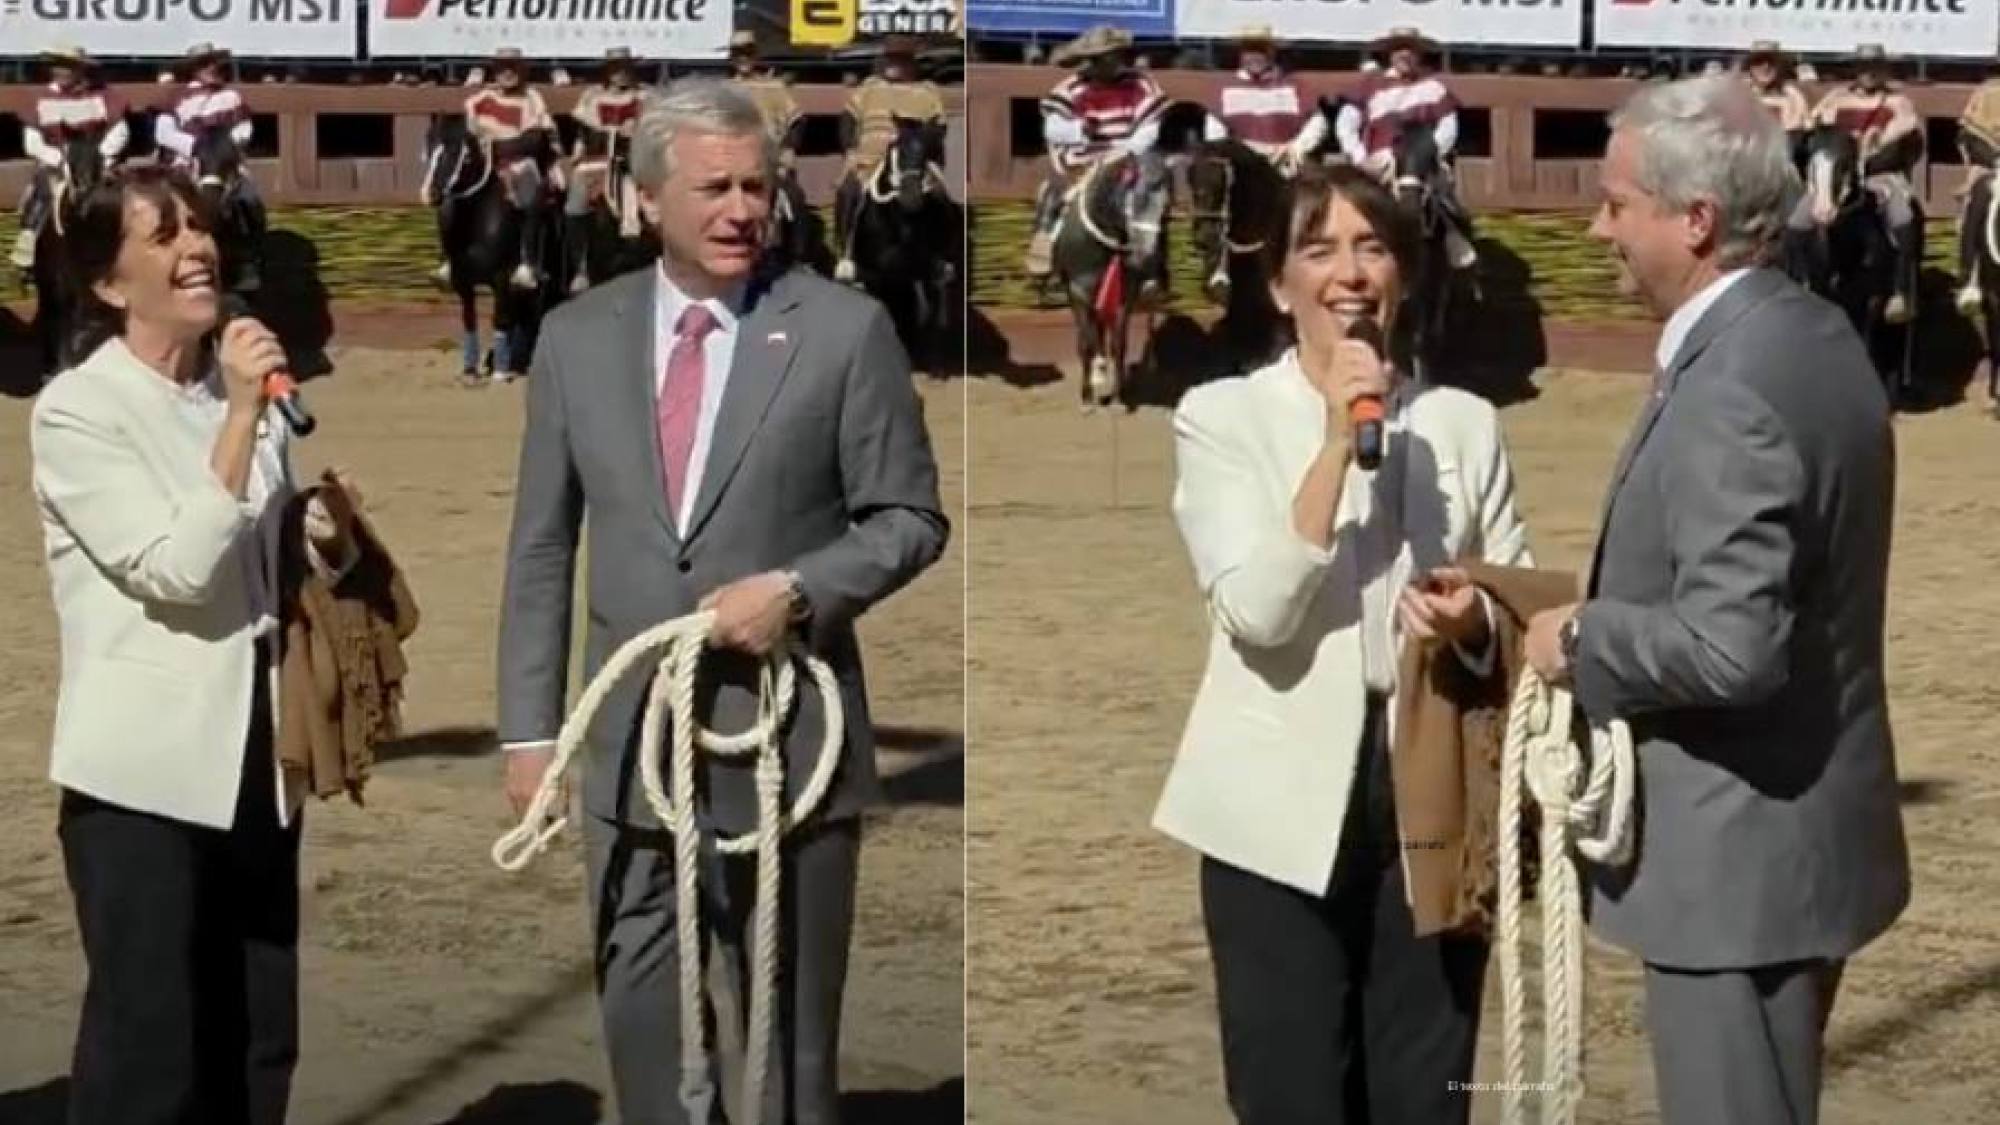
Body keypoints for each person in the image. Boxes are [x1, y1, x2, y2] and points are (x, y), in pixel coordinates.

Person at [496, 79, 948, 1125]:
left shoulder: (844, 331)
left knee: (788, 1048)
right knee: (642, 1024)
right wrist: (530, 736)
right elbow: (541, 548)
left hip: (789, 751)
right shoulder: (573, 338)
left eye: (757, 185)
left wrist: (798, 588)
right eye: (715, 189)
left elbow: (908, 519)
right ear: (649, 197)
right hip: (627, 754)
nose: (743, 209)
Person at [1525, 74, 1908, 1125]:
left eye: (1616, 204)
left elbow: (1730, 647)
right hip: (1804, 845)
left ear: (1694, 220)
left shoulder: (1728, 380)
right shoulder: (1813, 332)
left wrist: (1582, 639)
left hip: (1735, 872)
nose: (1598, 228)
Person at [1152, 162, 1533, 1125]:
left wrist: (1473, 621)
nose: (1350, 273)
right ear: (1281, 285)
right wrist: (1334, 441)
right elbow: (1258, 613)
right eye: (1319, 250)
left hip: (1434, 786)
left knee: (1426, 1091)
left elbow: (1517, 603)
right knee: (1290, 1093)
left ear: (1403, 275)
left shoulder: (1465, 424)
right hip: (1274, 802)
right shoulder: (1222, 417)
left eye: (1373, 248)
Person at [29, 163, 365, 1125]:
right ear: (108, 282)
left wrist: (322, 532)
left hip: (258, 752)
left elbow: (259, 560)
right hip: (143, 774)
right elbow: (174, 570)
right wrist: (242, 417)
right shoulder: (79, 408)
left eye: (200, 226)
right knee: (151, 1050)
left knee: (255, 1035)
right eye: (165, 234)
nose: (197, 247)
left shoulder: (237, 394)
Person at [1023, 25, 1167, 280]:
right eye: (1105, 57)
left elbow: (1150, 128)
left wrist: (1126, 149)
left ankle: (1154, 270)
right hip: (1083, 159)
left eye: (1116, 56)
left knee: (1152, 195)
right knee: (1053, 189)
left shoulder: (1141, 85)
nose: (1112, 62)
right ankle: (1044, 241)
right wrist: (1080, 129)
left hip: (1127, 158)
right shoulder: (1072, 88)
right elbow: (1052, 129)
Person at [1796, 43, 1923, 323]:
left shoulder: (1899, 102)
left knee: (1902, 215)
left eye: (1874, 66)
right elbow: (1818, 136)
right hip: (1836, 176)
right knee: (1797, 222)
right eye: (1863, 67)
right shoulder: (1835, 100)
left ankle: (1901, 291)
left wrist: (1878, 158)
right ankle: (1800, 282)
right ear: (1855, 69)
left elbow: (1909, 143)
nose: (1869, 73)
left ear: (1884, 69)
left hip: (1880, 174)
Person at [1335, 26, 1478, 271]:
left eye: (1410, 50)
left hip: (1422, 157)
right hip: (1381, 159)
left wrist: (1429, 153)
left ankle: (1456, 249)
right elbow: (1345, 125)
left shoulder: (1433, 87)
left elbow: (1448, 126)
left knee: (1445, 200)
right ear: (1390, 54)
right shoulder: (1369, 85)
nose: (1405, 55)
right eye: (1399, 49)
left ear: (1419, 55)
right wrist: (1360, 157)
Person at [834, 35, 947, 283]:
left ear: (912, 63)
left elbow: (938, 128)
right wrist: (850, 151)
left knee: (940, 197)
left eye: (901, 60)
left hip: (914, 163)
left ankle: (939, 258)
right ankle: (846, 254)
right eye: (891, 59)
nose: (894, 65)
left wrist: (922, 146)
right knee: (847, 191)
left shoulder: (927, 92)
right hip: (869, 161)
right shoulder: (869, 88)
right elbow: (848, 120)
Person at [155, 42, 265, 289]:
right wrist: (195, 147)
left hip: (223, 160)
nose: (211, 68)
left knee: (248, 197)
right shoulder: (174, 98)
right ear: (193, 69)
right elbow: (163, 133)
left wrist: (223, 147)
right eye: (204, 64)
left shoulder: (231, 97)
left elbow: (243, 129)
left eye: (214, 63)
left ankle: (247, 260)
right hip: (187, 160)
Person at [12, 46, 128, 271]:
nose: (61, 71)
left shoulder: (102, 96)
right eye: (58, 65)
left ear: (80, 70)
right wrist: (56, 157)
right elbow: (32, 142)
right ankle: (29, 239)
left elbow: (119, 130)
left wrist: (104, 155)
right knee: (45, 188)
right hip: (57, 159)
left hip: (96, 157)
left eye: (68, 66)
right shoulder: (40, 99)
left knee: (118, 196)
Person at [454, 46, 558, 290]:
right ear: (495, 71)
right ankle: (452, 259)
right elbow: (468, 132)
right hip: (483, 164)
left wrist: (500, 146)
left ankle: (527, 262)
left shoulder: (532, 98)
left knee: (530, 188)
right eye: (503, 68)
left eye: (513, 67)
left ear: (522, 70)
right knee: (452, 192)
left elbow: (536, 138)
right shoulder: (480, 99)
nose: (508, 73)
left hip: (519, 162)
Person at [564, 46, 646, 291]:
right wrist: (577, 156)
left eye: (624, 68)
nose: (620, 73)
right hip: (595, 161)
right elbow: (582, 134)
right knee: (574, 206)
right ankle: (581, 268)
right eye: (614, 68)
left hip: (632, 162)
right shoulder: (592, 97)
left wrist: (637, 132)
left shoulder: (645, 96)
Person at [728, 32, 810, 262]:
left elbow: (797, 120)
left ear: (755, 56)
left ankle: (799, 257)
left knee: (795, 198)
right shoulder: (725, 89)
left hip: (771, 160)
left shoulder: (774, 86)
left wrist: (790, 148)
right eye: (738, 54)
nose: (743, 59)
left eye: (747, 53)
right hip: (733, 161)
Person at [1204, 25, 1328, 175]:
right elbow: (1216, 133)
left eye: (1261, 50)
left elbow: (1316, 122)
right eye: (1250, 51)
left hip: (1287, 166)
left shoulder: (1295, 86)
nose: (1255, 57)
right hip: (1243, 171)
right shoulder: (1224, 89)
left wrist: (1296, 148)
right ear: (1241, 54)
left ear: (1272, 52)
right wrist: (1238, 156)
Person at [1954, 73, 2000, 313]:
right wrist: (1993, 158)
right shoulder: (1988, 92)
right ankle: (1969, 274)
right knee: (1980, 194)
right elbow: (1970, 135)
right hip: (1993, 165)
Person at [1742, 40, 1810, 162]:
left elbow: (1797, 129)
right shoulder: (1739, 91)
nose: (1765, 67)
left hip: (1779, 158)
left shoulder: (1792, 94)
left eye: (1771, 62)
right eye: (1759, 61)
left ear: (1779, 66)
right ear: (1750, 66)